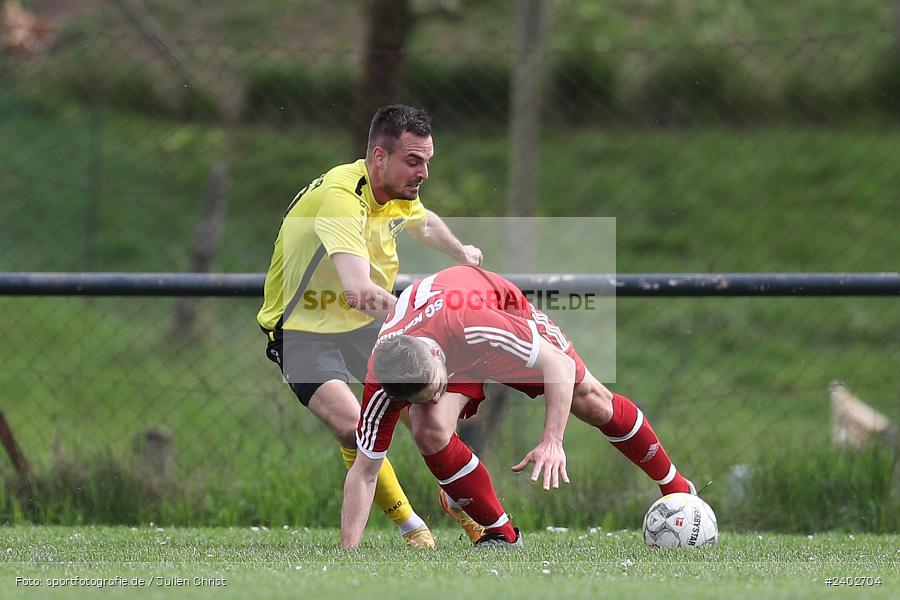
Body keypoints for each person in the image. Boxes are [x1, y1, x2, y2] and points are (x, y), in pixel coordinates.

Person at [341, 265, 696, 548]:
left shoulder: (473, 321)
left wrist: (552, 440)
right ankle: (502, 534)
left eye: (435, 391)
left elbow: (559, 364)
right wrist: (348, 552)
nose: (434, 400)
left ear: (436, 355)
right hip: (450, 351)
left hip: (498, 316)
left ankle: (677, 487)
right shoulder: (383, 377)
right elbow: (364, 470)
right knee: (428, 429)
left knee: (591, 401)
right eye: (421, 399)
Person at [257, 105, 484, 547]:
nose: (423, 173)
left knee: (431, 413)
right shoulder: (342, 199)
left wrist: (462, 252)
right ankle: (410, 526)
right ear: (379, 157)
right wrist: (420, 314)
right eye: (414, 162)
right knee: (352, 425)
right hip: (302, 326)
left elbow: (421, 221)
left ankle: (458, 499)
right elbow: (360, 290)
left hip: (363, 323)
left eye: (427, 162)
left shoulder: (396, 188)